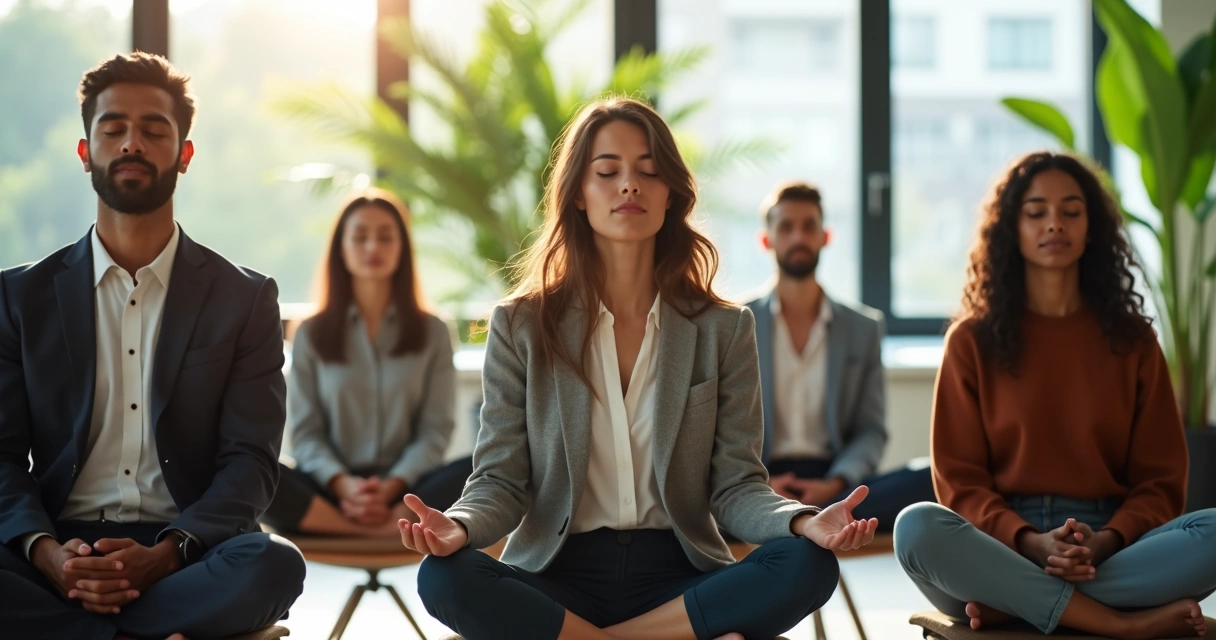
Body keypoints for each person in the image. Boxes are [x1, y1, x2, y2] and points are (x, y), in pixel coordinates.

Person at [395, 96, 880, 640]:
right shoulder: (521, 324)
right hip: (557, 574)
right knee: (443, 576)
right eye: (608, 172)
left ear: (670, 193)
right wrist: (459, 526)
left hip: (678, 573)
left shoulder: (724, 328)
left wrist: (802, 520)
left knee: (808, 563)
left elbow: (736, 486)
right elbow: (501, 480)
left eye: (649, 172)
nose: (629, 185)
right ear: (579, 194)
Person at [0, 52, 305, 639]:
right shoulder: (19, 297)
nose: (131, 143)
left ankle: (75, 629)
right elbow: (3, 456)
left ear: (184, 155)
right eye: (113, 128)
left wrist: (167, 555)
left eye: (153, 130)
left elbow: (250, 461)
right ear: (85, 152)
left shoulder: (244, 298)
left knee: (274, 564)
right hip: (58, 545)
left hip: (186, 549)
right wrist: (48, 556)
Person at [893, 151, 1215, 639]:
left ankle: (1016, 604)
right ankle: (1116, 623)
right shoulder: (970, 341)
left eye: (1071, 211)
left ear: (1092, 228)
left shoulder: (1134, 341)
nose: (1054, 224)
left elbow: (1161, 481)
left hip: (1109, 545)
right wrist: (1029, 542)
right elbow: (960, 483)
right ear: (1011, 228)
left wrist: (1105, 540)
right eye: (1036, 211)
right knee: (916, 527)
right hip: (999, 545)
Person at [261, 189, 472, 536]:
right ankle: (380, 530)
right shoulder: (311, 332)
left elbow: (435, 430)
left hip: (409, 489)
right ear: (341, 249)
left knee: (483, 468)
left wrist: (391, 487)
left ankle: (365, 524)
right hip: (330, 490)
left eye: (385, 237)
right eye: (360, 237)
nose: (373, 247)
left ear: (402, 248)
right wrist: (344, 485)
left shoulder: (434, 331)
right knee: (255, 467)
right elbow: (306, 433)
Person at [746, 180, 934, 531]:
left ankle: (811, 517)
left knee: (930, 477)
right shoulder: (736, 324)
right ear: (766, 240)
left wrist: (835, 483)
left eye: (809, 226)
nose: (798, 237)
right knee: (699, 499)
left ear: (825, 237)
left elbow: (871, 431)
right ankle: (799, 519)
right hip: (760, 482)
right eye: (786, 227)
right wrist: (761, 484)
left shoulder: (863, 327)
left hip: (835, 482)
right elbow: (721, 433)